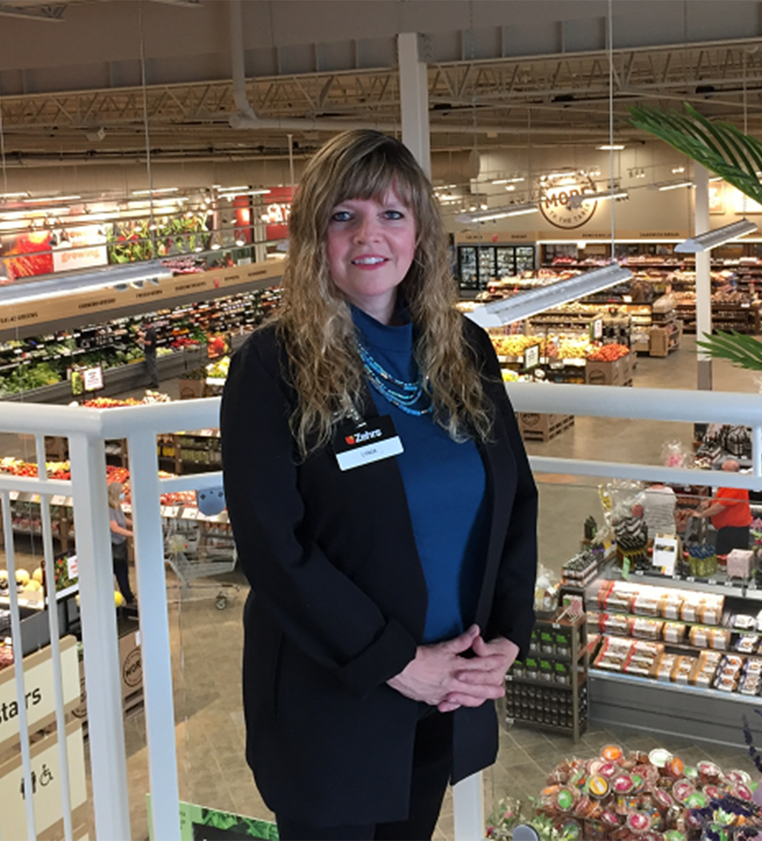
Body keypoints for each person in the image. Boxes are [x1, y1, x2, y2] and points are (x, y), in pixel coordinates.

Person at [221, 129, 538, 841]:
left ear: (420, 232)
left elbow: (514, 499)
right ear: (315, 237)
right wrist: (396, 660)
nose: (371, 234)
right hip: (333, 703)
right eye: (345, 215)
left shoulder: (464, 348)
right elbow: (273, 545)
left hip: (445, 693)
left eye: (393, 214)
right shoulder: (273, 365)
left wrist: (508, 639)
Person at [692, 458, 754, 555]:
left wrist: (702, 514)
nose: (721, 472)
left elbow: (719, 506)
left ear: (729, 472)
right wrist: (710, 501)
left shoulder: (735, 485)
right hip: (728, 529)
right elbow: (721, 497)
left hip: (734, 531)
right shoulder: (730, 482)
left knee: (728, 557)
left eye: (723, 470)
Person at [106, 482, 137, 609]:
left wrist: (135, 524)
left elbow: (122, 520)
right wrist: (132, 534)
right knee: (120, 571)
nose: (123, 494)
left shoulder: (117, 506)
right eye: (121, 492)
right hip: (114, 546)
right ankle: (127, 597)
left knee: (123, 571)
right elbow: (114, 527)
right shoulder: (108, 509)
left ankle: (128, 595)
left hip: (121, 544)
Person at [138, 322, 159, 388]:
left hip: (150, 352)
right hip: (153, 351)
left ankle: (155, 383)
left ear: (146, 324)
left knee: (152, 368)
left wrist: (142, 341)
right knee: (153, 367)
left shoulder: (150, 332)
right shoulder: (152, 330)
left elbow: (149, 343)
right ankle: (154, 381)